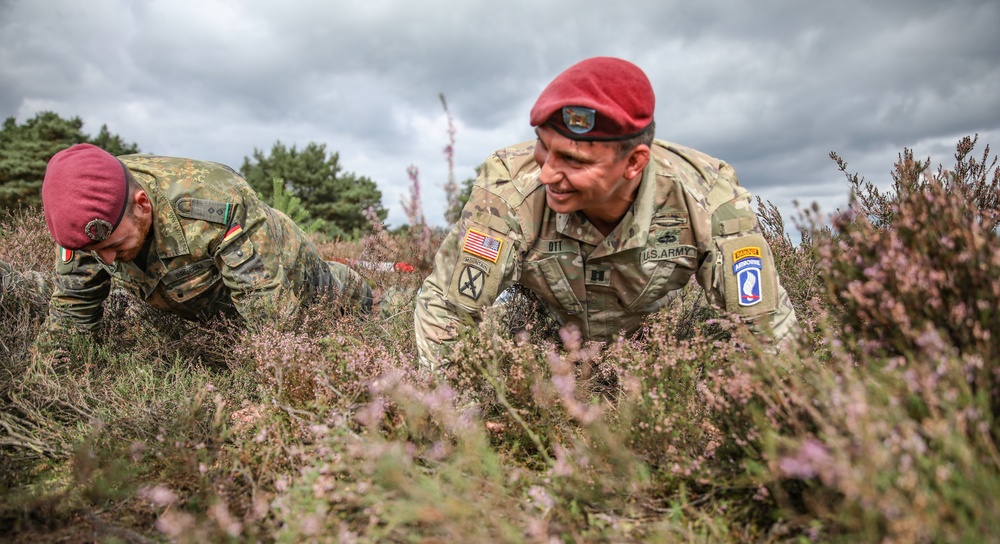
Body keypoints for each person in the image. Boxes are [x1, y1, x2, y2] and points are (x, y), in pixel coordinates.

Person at [414, 57, 798, 370]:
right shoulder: (510, 188)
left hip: (649, 350)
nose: (547, 172)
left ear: (634, 162)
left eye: (573, 160)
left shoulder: (706, 196)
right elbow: (447, 308)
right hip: (540, 343)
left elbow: (766, 326)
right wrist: (456, 420)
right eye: (543, 147)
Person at [37, 143, 372, 341]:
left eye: (116, 245)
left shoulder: (215, 204)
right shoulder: (86, 216)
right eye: (96, 253)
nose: (108, 260)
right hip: (212, 309)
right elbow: (72, 314)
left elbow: (272, 323)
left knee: (363, 310)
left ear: (142, 204)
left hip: (303, 280)